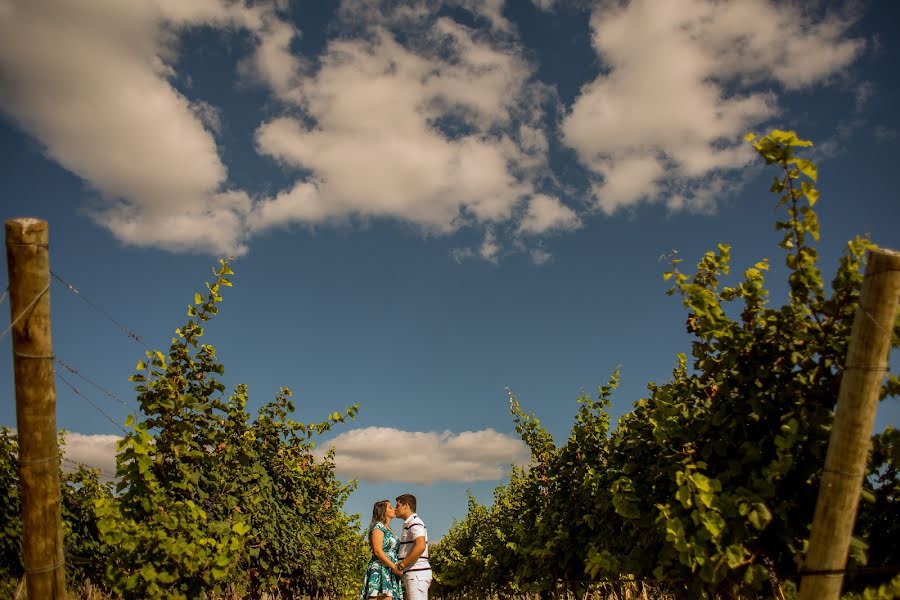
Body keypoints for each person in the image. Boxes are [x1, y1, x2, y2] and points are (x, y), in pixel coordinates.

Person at [360, 499, 404, 600]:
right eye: (390, 507)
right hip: (380, 569)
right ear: (383, 512)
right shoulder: (378, 526)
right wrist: (394, 567)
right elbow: (378, 551)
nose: (394, 509)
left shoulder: (388, 528)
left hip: (389, 569)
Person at [395, 493, 431, 600]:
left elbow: (420, 546)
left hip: (416, 575)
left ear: (406, 506)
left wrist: (402, 565)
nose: (395, 509)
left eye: (398, 506)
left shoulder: (415, 522)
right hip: (414, 574)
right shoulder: (410, 523)